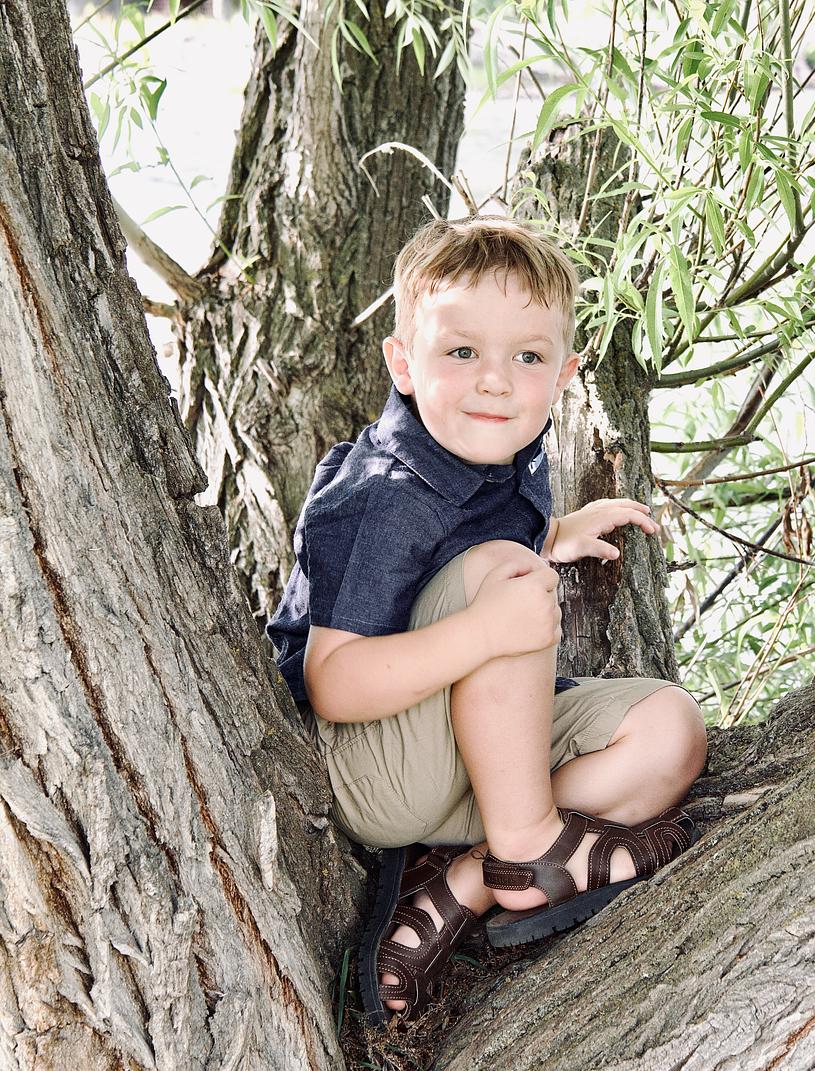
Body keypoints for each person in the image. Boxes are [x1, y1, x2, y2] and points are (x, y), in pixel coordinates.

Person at [266, 216, 708, 1026]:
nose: (496, 381)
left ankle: (466, 878)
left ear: (563, 376)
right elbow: (334, 683)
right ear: (404, 363)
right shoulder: (383, 498)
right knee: (509, 579)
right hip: (379, 769)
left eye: (527, 358)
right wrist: (492, 621)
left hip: (473, 761)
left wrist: (554, 533)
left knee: (669, 730)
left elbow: (478, 539)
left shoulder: (503, 455)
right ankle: (532, 844)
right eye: (462, 351)